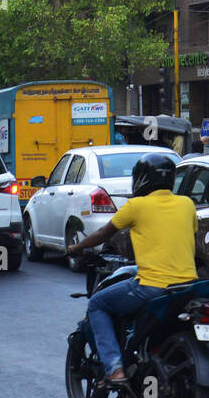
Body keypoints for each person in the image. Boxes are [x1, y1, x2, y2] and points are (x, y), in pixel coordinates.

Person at [67, 152, 197, 386]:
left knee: (97, 304)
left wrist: (76, 247)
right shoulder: (187, 204)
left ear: (141, 179)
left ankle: (115, 369)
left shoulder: (136, 206)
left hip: (153, 287)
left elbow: (102, 234)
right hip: (188, 286)